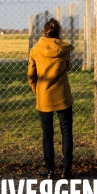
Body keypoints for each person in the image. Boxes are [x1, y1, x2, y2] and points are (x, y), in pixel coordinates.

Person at [27, 18, 75, 179]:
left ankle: (50, 170)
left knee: (47, 133)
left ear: (44, 32)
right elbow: (68, 68)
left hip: (44, 97)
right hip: (63, 96)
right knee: (66, 132)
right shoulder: (64, 49)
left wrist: (38, 90)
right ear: (58, 33)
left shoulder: (35, 50)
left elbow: (31, 75)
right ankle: (66, 170)